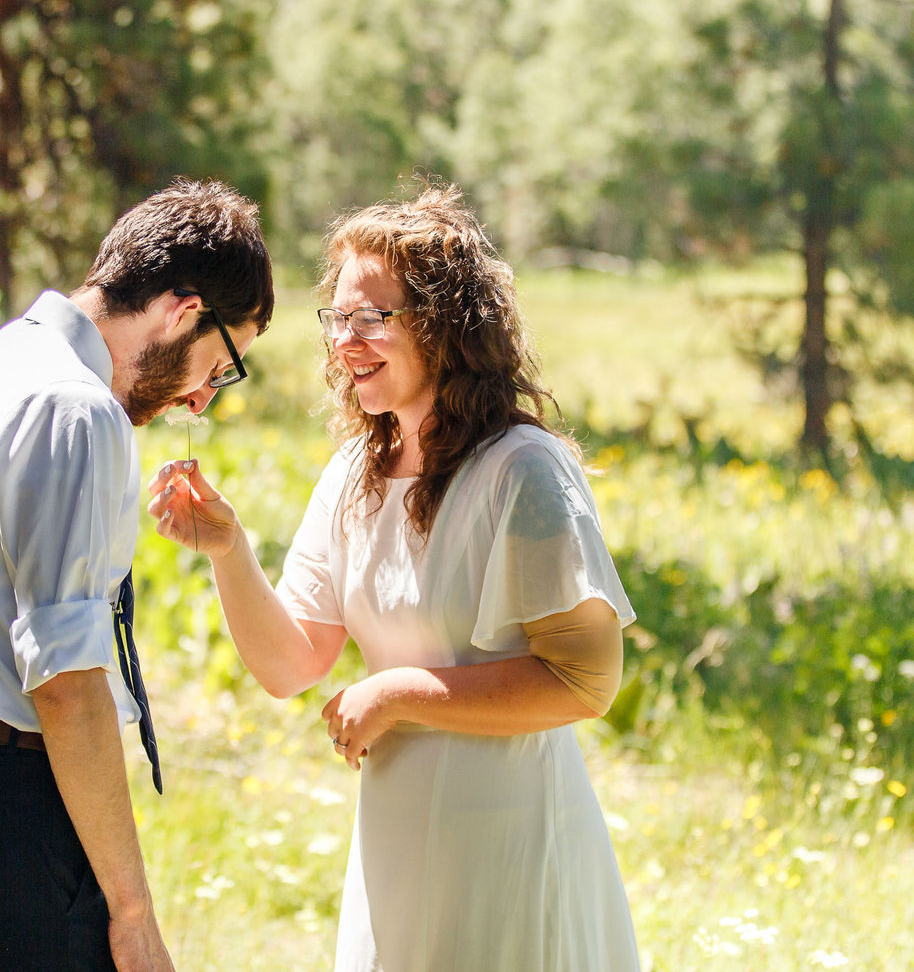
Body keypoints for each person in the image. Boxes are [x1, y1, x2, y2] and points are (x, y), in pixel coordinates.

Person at [148, 186, 640, 972]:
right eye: (338, 318)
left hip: (510, 857)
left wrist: (400, 691)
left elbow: (586, 679)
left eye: (373, 317)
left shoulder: (525, 471)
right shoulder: (354, 473)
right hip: (399, 856)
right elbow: (290, 663)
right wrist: (228, 548)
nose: (346, 341)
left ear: (447, 326)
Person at [0, 179, 275, 972]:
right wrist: (132, 914)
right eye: (221, 365)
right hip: (12, 808)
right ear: (180, 310)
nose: (201, 398)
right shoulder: (75, 407)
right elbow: (64, 678)